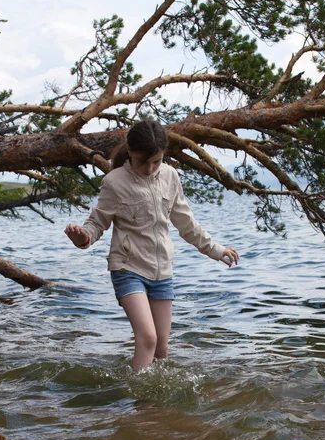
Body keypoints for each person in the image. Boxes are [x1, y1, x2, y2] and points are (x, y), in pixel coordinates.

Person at [65, 120, 239, 372]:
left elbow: (185, 221)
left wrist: (215, 249)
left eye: (156, 161)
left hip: (162, 273)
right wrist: (82, 237)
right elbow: (97, 223)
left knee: (161, 349)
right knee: (147, 338)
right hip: (127, 269)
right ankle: (139, 404)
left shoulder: (170, 176)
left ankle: (157, 409)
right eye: (142, 161)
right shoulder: (115, 182)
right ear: (130, 152)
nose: (149, 168)